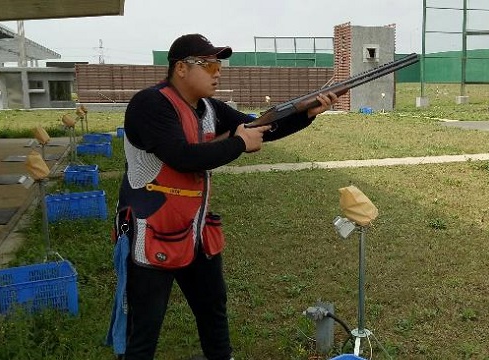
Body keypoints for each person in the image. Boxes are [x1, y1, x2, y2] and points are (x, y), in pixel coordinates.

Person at [111, 33, 338, 360]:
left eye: (219, 64)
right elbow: (182, 156)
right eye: (209, 63)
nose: (218, 71)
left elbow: (259, 128)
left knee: (213, 312)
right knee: (144, 330)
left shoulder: (208, 108)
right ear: (181, 68)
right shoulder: (150, 104)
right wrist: (238, 143)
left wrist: (307, 113)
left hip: (196, 231)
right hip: (150, 232)